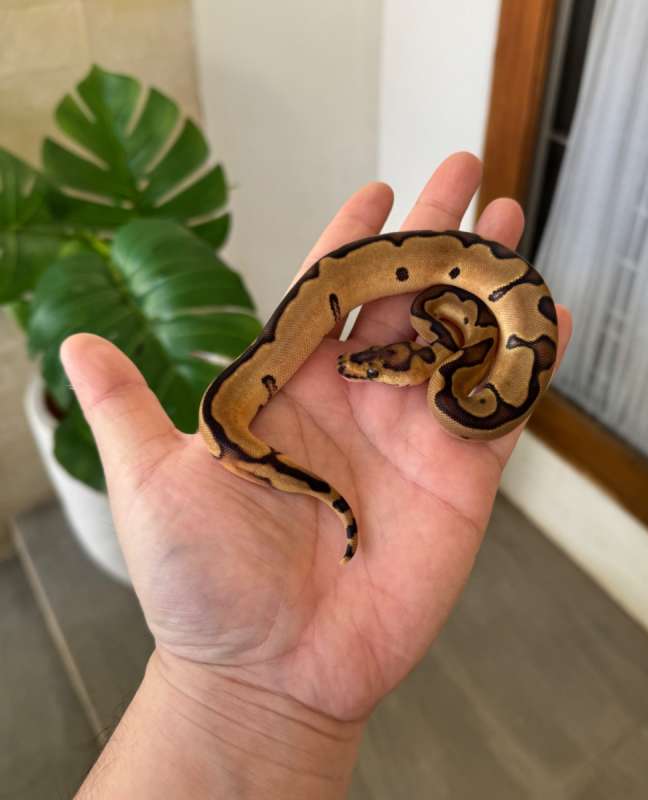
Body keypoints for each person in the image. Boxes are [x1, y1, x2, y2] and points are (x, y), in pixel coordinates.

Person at [62, 152, 572, 799]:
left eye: (373, 368)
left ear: (416, 366)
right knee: (238, 399)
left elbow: (440, 368)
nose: (361, 367)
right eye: (368, 366)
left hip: (465, 332)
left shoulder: (449, 378)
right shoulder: (435, 333)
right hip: (460, 321)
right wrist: (235, 684)